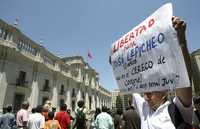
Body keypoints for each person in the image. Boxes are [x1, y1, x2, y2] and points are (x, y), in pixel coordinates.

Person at [130, 17, 193, 129]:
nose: (146, 97)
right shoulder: (144, 108)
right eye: (145, 93)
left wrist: (181, 41)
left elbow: (184, 80)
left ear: (164, 92)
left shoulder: (177, 109)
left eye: (150, 93)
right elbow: (128, 83)